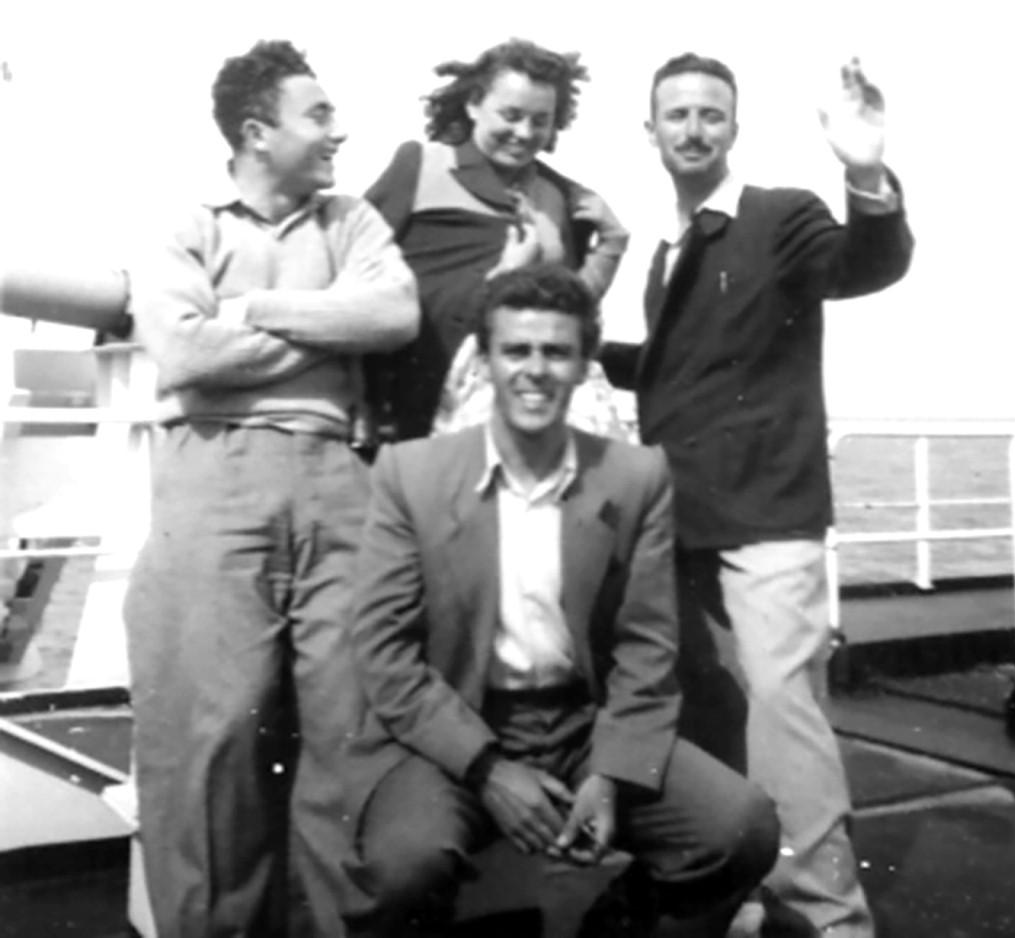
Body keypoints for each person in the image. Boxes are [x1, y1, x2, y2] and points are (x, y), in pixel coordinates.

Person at [344, 263, 780, 937]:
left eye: (557, 351)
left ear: (583, 366)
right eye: (516, 350)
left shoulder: (634, 477)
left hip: (582, 726)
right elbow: (382, 655)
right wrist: (487, 770)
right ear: (484, 362)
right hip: (457, 727)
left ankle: (616, 923)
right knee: (407, 863)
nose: (535, 369)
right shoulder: (411, 475)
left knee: (741, 828)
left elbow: (647, 645)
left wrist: (610, 774)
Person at [600, 54, 915, 937]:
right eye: (677, 115)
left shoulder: (778, 216)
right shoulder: (668, 253)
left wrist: (862, 171)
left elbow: (864, 262)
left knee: (783, 712)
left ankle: (832, 919)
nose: (694, 129)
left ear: (732, 129)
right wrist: (580, 346)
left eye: (710, 114)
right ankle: (745, 890)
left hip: (768, 514)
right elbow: (680, 371)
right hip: (683, 515)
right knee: (712, 712)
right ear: (651, 131)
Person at [122, 39, 419, 938]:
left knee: (350, 735)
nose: (340, 132)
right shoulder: (187, 227)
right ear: (257, 133)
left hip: (340, 483)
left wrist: (250, 313)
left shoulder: (354, 222)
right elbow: (183, 355)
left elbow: (395, 316)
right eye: (318, 115)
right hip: (217, 480)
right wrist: (332, 333)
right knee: (212, 744)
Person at [362, 38, 630, 443]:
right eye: (511, 115)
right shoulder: (423, 165)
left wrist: (610, 247)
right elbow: (356, 272)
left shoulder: (557, 195)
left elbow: (568, 311)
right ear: (473, 104)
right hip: (413, 401)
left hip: (512, 413)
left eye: (541, 120)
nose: (524, 133)